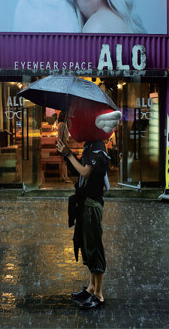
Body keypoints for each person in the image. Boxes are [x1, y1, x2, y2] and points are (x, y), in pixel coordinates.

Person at [57, 136, 110, 310]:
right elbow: (79, 170)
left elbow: (86, 171)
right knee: (87, 246)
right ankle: (91, 288)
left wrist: (68, 154)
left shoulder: (98, 145)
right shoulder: (90, 144)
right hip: (85, 203)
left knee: (94, 247)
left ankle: (99, 295)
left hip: (92, 204)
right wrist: (66, 155)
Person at [57, 111, 72, 183]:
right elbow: (65, 137)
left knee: (61, 161)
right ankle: (66, 177)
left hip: (59, 144)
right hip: (63, 144)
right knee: (65, 162)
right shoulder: (63, 125)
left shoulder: (59, 124)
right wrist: (66, 146)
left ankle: (61, 176)